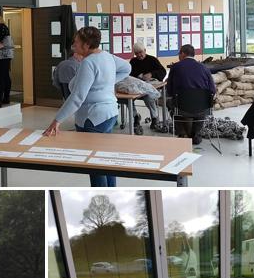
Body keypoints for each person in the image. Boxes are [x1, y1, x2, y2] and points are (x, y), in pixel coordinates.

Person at [43, 26, 131, 187]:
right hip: (109, 114)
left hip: (93, 117)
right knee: (105, 159)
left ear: (86, 44)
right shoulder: (106, 56)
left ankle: (102, 195)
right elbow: (127, 67)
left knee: (95, 165)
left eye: (76, 43)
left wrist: (57, 120)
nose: (73, 46)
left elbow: (77, 97)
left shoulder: (88, 63)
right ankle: (111, 192)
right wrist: (106, 84)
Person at [166, 44, 216, 145]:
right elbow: (212, 89)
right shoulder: (204, 68)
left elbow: (170, 90)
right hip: (202, 107)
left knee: (169, 102)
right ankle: (195, 134)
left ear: (183, 54)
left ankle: (183, 133)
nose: (178, 57)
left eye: (179, 54)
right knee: (203, 105)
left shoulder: (175, 67)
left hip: (182, 106)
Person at [129, 42, 166, 129]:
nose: (139, 55)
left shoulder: (152, 60)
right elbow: (130, 75)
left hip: (151, 87)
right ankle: (135, 116)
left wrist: (151, 74)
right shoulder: (133, 61)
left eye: (141, 52)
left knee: (148, 97)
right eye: (137, 53)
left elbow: (162, 72)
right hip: (138, 88)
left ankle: (154, 117)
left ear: (145, 51)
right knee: (128, 99)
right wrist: (138, 76)